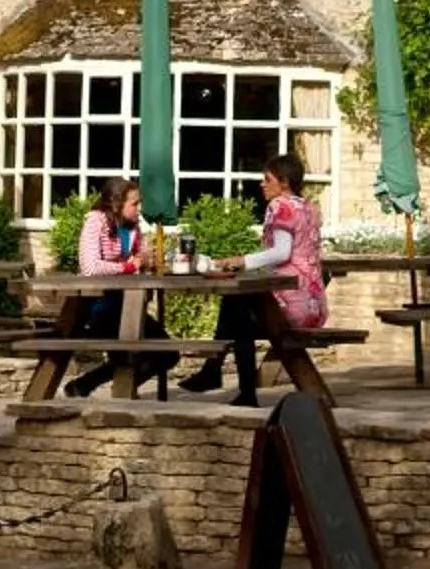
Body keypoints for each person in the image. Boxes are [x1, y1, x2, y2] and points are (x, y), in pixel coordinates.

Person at [178, 152, 327, 407]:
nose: (262, 184)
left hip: (291, 306)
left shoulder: (280, 206)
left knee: (237, 315)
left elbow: (281, 252)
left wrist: (241, 261)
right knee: (235, 307)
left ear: (284, 182)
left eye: (267, 179)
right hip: (314, 306)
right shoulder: (309, 208)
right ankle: (218, 375)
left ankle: (225, 379)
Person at [65, 177, 177, 397]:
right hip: (98, 310)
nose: (139, 208)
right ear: (116, 204)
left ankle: (92, 386)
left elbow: (139, 260)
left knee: (168, 353)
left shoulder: (133, 227)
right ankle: (119, 393)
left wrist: (147, 261)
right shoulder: (95, 222)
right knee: (129, 354)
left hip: (128, 306)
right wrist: (128, 266)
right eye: (134, 203)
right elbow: (90, 267)